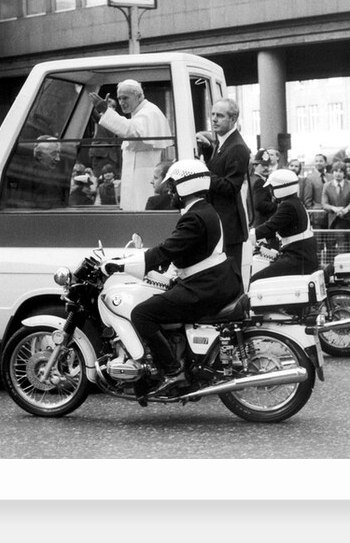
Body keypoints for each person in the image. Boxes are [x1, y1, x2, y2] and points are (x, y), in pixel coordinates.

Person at [111, 159, 243, 405]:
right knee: (159, 302)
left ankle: (173, 372)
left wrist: (122, 265)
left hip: (206, 288)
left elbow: (167, 249)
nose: (169, 192)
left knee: (142, 313)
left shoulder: (195, 217)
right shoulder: (203, 211)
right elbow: (182, 251)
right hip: (213, 282)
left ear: (186, 185)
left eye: (172, 186)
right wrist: (159, 265)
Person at [89, 79, 170, 211]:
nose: (121, 102)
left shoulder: (149, 112)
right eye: (119, 98)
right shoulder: (139, 113)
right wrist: (103, 116)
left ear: (139, 96)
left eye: (125, 98)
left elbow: (130, 130)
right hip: (137, 177)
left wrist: (106, 111)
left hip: (144, 178)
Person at [196, 98, 251, 269]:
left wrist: (203, 172)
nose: (214, 119)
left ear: (233, 119)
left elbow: (230, 187)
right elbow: (219, 168)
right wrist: (207, 150)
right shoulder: (223, 142)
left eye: (220, 116)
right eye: (212, 114)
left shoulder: (237, 147)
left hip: (229, 227)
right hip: (221, 224)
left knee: (229, 276)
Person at [248, 169, 318, 283]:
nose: (270, 191)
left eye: (272, 188)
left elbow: (270, 226)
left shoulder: (288, 205)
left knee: (255, 280)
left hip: (297, 257)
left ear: (281, 188)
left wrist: (249, 235)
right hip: (300, 255)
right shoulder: (294, 202)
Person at [250, 149, 276, 227]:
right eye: (263, 165)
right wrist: (277, 206)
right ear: (255, 166)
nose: (266, 168)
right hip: (262, 222)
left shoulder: (252, 179)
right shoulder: (260, 182)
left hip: (254, 221)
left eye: (267, 165)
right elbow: (259, 204)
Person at [302, 153, 329, 230]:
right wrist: (312, 212)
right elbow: (307, 199)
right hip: (317, 215)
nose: (318, 163)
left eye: (321, 161)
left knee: (330, 236)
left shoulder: (331, 177)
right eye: (316, 161)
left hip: (330, 214)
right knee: (318, 236)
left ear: (326, 163)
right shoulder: (310, 178)